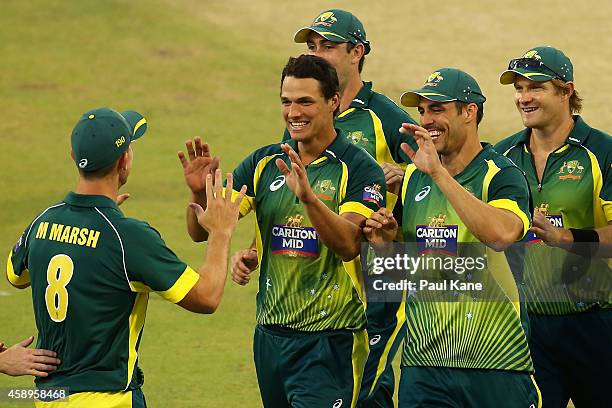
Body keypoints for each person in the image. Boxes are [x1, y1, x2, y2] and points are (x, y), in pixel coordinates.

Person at [231, 10, 418, 406]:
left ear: (357, 53)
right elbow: (282, 191)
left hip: (375, 276)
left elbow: (434, 180)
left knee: (371, 387)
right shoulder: (302, 117)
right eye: (313, 46)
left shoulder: (385, 117)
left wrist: (405, 180)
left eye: (328, 46)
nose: (319, 53)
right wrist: (257, 248)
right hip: (307, 282)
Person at [184, 54, 386, 408]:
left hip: (331, 340)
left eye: (305, 101)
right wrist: (200, 193)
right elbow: (201, 231)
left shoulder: (358, 168)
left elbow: (349, 245)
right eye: (287, 101)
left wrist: (309, 199)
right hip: (270, 337)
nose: (294, 112)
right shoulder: (264, 163)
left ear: (333, 102)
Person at [7, 107, 245, 407]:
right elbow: (207, 297)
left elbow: (16, 277)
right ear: (124, 161)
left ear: (73, 155)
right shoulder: (129, 237)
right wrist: (221, 233)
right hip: (110, 400)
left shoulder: (42, 222)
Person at [364, 68, 541, 407]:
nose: (426, 120)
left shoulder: (501, 175)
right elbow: (402, 266)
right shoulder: (415, 177)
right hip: (424, 365)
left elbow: (502, 235)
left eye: (438, 109)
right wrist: (386, 245)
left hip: (496, 362)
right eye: (422, 110)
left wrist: (439, 174)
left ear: (469, 112)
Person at [496, 46, 612, 407]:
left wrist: (566, 238)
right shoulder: (502, 158)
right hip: (527, 328)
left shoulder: (602, 152)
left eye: (536, 87)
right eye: (518, 88)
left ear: (566, 91)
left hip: (594, 324)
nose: (523, 98)